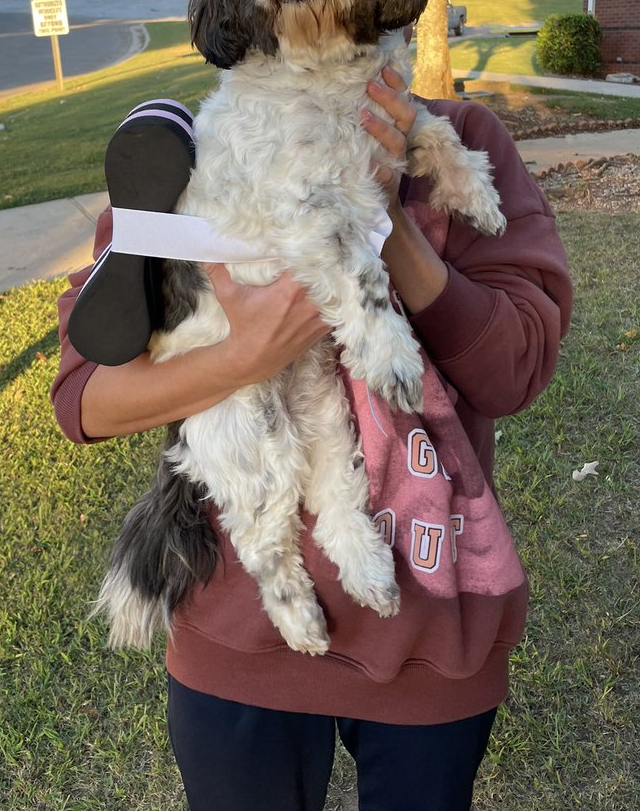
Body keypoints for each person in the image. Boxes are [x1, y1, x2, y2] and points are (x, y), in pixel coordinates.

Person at [50, 64, 573, 811]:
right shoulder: (190, 150)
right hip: (237, 635)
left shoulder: (458, 143)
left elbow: (514, 372)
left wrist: (377, 210)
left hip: (428, 633)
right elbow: (82, 400)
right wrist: (244, 355)